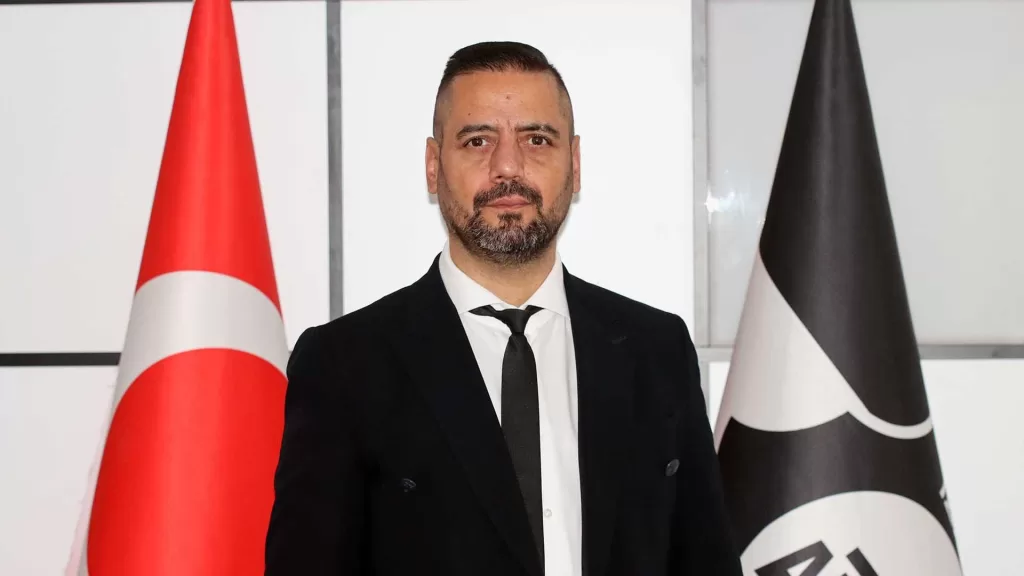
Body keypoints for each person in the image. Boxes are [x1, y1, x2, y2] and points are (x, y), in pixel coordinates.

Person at [264, 41, 742, 576]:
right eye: (478, 140)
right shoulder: (344, 364)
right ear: (433, 166)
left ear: (575, 163)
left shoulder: (657, 351)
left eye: (537, 139)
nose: (508, 166)